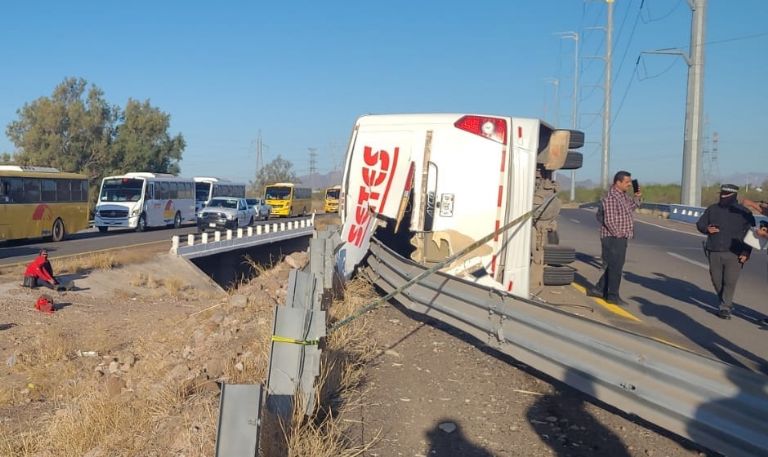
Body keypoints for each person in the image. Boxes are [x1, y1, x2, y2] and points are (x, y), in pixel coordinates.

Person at [696, 184, 755, 320]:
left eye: (726, 194)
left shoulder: (744, 212)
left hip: (735, 253)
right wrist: (707, 229)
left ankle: (725, 307)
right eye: (721, 193)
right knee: (717, 281)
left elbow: (752, 235)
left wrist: (746, 252)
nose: (723, 196)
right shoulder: (712, 209)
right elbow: (700, 224)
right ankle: (725, 300)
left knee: (729, 281)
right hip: (714, 250)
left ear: (734, 195)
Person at [590, 170, 641, 306]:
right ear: (617, 182)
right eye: (627, 182)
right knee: (616, 268)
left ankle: (598, 289)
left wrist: (637, 197)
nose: (629, 184)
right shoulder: (611, 198)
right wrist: (620, 235)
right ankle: (612, 296)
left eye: (630, 182)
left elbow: (630, 208)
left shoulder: (622, 196)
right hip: (613, 237)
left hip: (620, 237)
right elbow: (610, 221)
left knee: (613, 266)